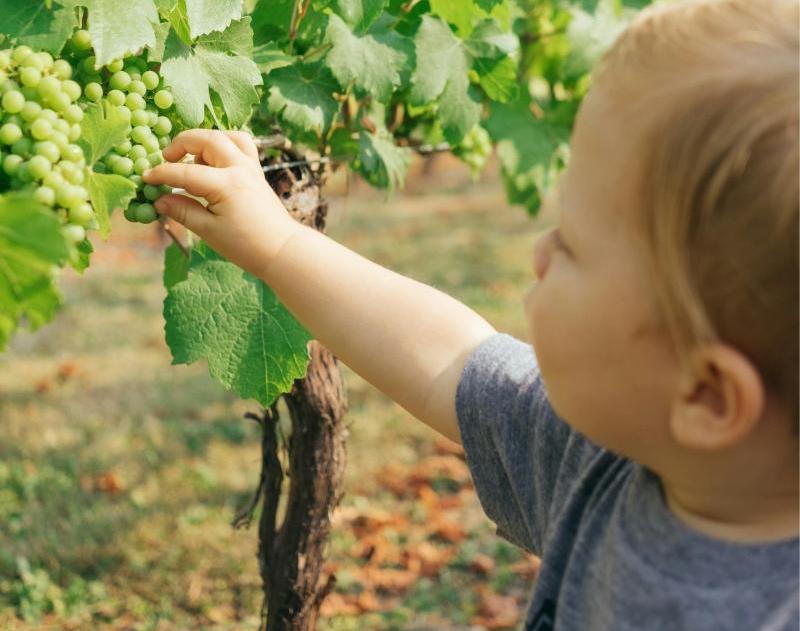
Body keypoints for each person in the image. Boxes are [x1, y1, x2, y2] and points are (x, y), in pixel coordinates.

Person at [143, 0, 799, 627]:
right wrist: (278, 243)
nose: (541, 252)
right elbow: (446, 355)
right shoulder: (603, 458)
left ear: (709, 397)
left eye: (571, 243)